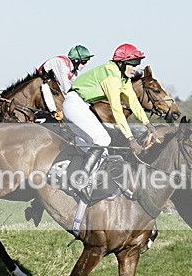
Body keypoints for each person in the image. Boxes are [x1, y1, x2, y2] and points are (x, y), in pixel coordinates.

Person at [61, 43, 157, 194]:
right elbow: (117, 109)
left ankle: (75, 183)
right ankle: (80, 181)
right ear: (122, 63)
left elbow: (133, 103)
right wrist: (130, 139)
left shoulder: (123, 78)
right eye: (132, 64)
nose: (135, 68)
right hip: (75, 104)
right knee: (103, 140)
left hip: (81, 105)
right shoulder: (111, 75)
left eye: (137, 64)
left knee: (102, 151)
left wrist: (149, 125)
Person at [37, 45, 93, 119]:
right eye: (84, 62)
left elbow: (76, 87)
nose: (85, 65)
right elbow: (66, 88)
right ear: (76, 60)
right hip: (41, 85)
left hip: (52, 85)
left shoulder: (74, 72)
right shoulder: (61, 63)